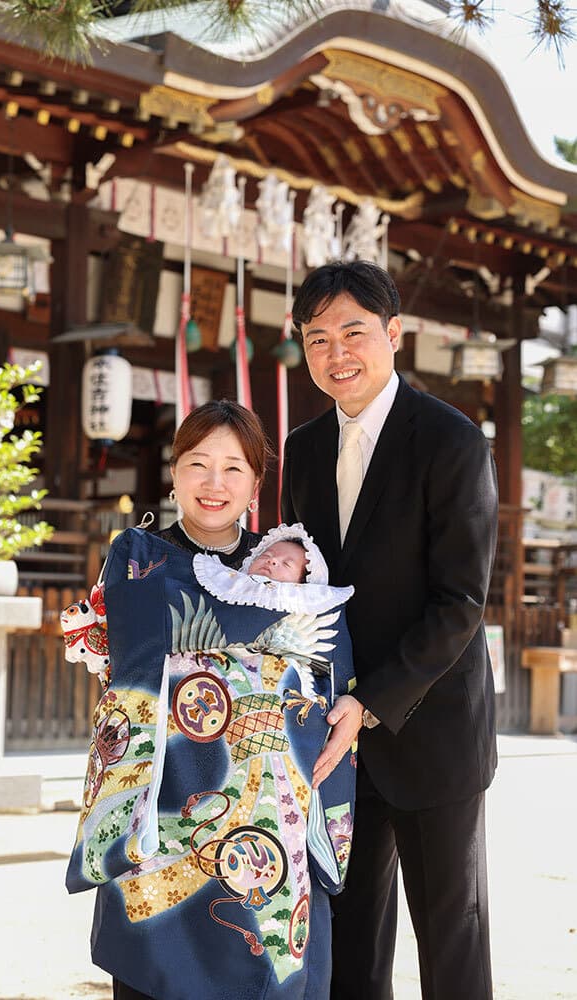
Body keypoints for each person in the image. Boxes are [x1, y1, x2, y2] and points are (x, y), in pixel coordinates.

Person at [65, 401, 357, 1000]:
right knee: (156, 970)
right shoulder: (137, 552)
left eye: (233, 468)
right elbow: (129, 661)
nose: (214, 483)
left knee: (267, 967)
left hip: (270, 821)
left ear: (256, 482)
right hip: (161, 805)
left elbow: (327, 668)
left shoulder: (293, 569)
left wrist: (346, 704)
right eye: (198, 464)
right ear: (174, 473)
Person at [281, 260, 498, 1000]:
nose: (336, 353)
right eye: (316, 339)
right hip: (334, 743)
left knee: (451, 940)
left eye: (353, 331)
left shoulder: (452, 441)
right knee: (346, 944)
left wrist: (369, 700)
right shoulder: (302, 450)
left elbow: (461, 601)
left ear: (394, 333)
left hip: (431, 728)